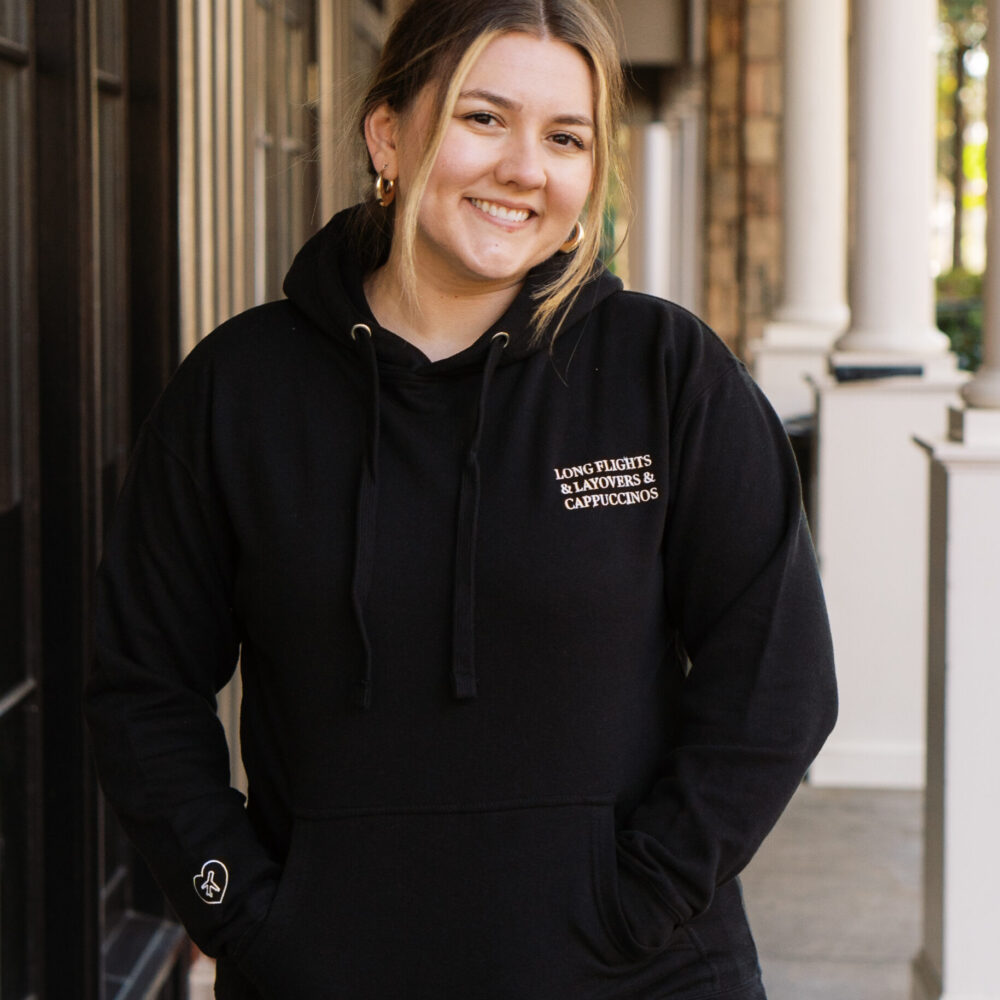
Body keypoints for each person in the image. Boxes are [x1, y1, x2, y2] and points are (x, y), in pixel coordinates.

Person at [86, 1, 837, 997]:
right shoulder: (240, 389)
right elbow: (141, 682)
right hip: (328, 975)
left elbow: (776, 680)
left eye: (565, 137)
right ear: (387, 133)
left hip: (641, 974)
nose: (525, 167)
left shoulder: (665, 373)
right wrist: (237, 906)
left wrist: (645, 895)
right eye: (484, 118)